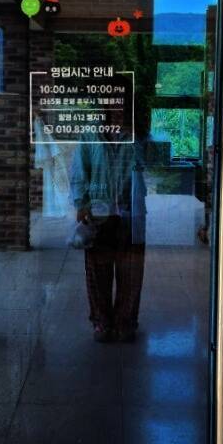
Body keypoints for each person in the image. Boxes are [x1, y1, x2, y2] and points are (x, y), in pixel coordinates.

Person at [70, 137, 147, 343]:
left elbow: (148, 163)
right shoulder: (90, 135)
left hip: (131, 211)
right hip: (98, 212)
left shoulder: (137, 134)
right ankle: (101, 321)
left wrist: (136, 139)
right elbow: (78, 172)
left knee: (131, 272)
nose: (117, 120)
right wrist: (81, 203)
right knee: (97, 273)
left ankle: (125, 322)